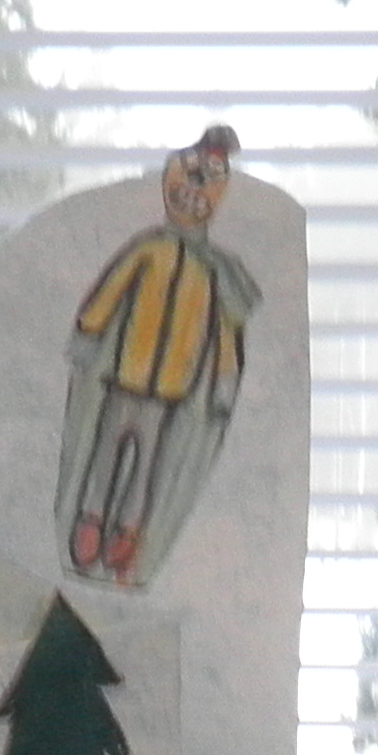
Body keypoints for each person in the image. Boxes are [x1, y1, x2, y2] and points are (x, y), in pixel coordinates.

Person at [61, 127, 258, 585]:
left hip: (170, 391)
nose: (195, 190)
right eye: (190, 175)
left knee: (145, 467)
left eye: (208, 178)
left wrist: (224, 384)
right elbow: (111, 290)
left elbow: (225, 335)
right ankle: (91, 520)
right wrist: (89, 332)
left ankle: (128, 533)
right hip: (125, 378)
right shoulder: (149, 249)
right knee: (106, 456)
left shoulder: (215, 273)